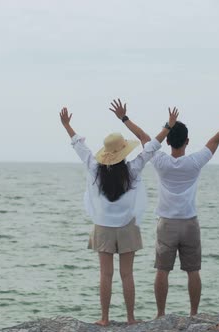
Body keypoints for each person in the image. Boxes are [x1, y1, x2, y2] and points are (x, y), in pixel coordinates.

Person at [122, 102, 219, 318]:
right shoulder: (194, 162)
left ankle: (161, 315)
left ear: (167, 141)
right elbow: (216, 139)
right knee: (193, 271)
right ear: (187, 141)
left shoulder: (160, 159)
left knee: (162, 270)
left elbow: (144, 137)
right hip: (190, 223)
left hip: (166, 223)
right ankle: (193, 314)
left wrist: (124, 118)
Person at [59, 99, 178, 326]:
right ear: (123, 151)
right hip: (127, 228)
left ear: (106, 153)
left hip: (103, 227)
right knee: (127, 275)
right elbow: (152, 146)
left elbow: (79, 146)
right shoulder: (132, 169)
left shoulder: (94, 168)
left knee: (105, 275)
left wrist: (67, 125)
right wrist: (169, 126)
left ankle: (104, 318)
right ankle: (131, 318)